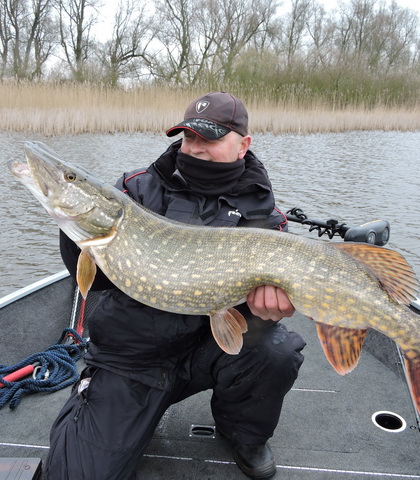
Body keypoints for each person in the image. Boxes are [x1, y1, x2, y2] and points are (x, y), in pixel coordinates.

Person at [46, 92, 306, 480]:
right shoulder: (135, 191)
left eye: (210, 139)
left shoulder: (266, 220)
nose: (196, 149)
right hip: (133, 358)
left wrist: (268, 313)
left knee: (276, 350)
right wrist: (77, 231)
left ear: (243, 144)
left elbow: (252, 320)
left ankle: (245, 435)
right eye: (189, 138)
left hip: (209, 352)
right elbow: (94, 282)